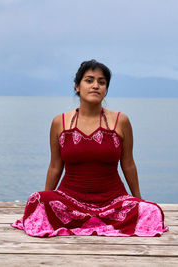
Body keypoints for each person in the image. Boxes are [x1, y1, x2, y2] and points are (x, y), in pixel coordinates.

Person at [12, 59, 169, 237]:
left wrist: (138, 199)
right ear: (77, 86)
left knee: (151, 211)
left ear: (106, 89)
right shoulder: (59, 122)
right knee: (37, 200)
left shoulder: (121, 121)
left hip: (113, 203)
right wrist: (46, 200)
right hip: (70, 202)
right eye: (89, 80)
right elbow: (55, 166)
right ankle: (90, 222)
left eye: (101, 82)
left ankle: (91, 222)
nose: (95, 86)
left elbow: (128, 164)